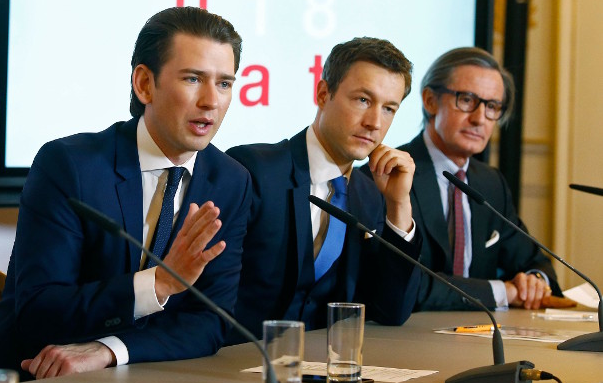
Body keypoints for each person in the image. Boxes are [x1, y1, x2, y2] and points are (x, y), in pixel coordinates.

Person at [0, 6, 251, 379]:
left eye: (225, 83)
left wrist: (111, 350)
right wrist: (157, 285)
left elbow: (210, 322)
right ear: (144, 84)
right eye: (193, 79)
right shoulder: (69, 166)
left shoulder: (230, 181)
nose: (211, 100)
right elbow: (39, 311)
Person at [224, 37, 422, 343]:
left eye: (389, 109)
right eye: (363, 100)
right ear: (323, 93)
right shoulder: (254, 170)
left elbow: (392, 311)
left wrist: (399, 205)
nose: (374, 123)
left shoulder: (369, 196)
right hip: (232, 367)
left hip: (322, 374)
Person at [396, 47, 560, 311]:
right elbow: (407, 285)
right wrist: (499, 292)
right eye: (467, 100)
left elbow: (536, 262)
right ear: (430, 100)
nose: (479, 118)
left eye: (492, 106)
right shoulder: (389, 175)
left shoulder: (490, 183)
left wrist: (535, 281)